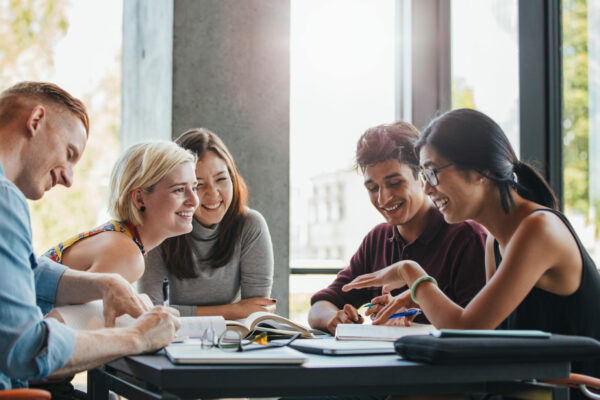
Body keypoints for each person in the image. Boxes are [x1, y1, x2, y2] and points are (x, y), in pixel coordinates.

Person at [344, 109, 600, 389]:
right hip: (529, 389)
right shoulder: (495, 241)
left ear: (481, 170)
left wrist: (411, 273)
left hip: (574, 391)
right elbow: (487, 339)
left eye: (432, 173)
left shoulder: (538, 229)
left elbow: (466, 330)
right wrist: (418, 299)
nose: (427, 189)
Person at [0, 81, 180, 392]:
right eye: (69, 153)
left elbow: (25, 271)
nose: (69, 179)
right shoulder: (5, 199)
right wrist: (137, 337)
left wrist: (104, 283)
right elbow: (25, 350)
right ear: (36, 121)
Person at [308, 121, 487, 334]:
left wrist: (409, 325)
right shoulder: (378, 239)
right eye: (373, 188)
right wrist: (333, 318)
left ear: (422, 176)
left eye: (394, 183)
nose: (383, 198)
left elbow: (476, 331)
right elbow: (320, 305)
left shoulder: (466, 237)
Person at [138, 128, 275, 319]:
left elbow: (257, 310)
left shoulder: (250, 225)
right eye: (198, 185)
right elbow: (149, 312)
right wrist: (234, 310)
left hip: (232, 339)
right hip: (174, 338)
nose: (213, 194)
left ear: (233, 178)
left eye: (221, 179)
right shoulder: (161, 226)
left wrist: (181, 312)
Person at [43, 140, 200, 284]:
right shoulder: (126, 255)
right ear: (139, 199)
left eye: (194, 188)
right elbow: (58, 314)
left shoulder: (120, 238)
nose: (194, 201)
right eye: (179, 190)